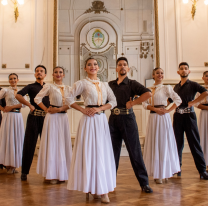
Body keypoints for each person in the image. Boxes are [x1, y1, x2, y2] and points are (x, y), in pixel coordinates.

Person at [66, 58, 117, 204]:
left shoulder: (105, 84)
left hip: (101, 121)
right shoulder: (81, 83)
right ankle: (93, 188)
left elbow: (113, 102)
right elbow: (68, 98)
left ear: (99, 67)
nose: (93, 66)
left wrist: (100, 108)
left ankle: (103, 190)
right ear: (85, 68)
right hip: (88, 121)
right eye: (89, 64)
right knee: (90, 153)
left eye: (95, 64)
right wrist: (82, 109)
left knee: (102, 152)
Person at [108, 57, 153, 193]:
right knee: (112, 153)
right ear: (116, 68)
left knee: (135, 152)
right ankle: (110, 182)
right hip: (113, 120)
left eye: (125, 65)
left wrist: (133, 103)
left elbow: (148, 93)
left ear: (128, 68)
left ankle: (144, 183)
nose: (122, 66)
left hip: (128, 119)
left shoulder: (132, 83)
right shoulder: (110, 84)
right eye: (120, 65)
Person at [143, 68, 181, 184]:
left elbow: (178, 100)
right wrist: (154, 109)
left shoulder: (167, 88)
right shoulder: (148, 89)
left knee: (164, 142)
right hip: (153, 118)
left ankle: (165, 171)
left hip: (163, 118)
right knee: (155, 142)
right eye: (157, 73)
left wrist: (168, 110)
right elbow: (145, 104)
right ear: (153, 75)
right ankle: (156, 172)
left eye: (162, 73)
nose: (160, 75)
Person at [34, 66, 72, 184]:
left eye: (60, 72)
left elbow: (71, 103)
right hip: (52, 118)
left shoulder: (69, 88)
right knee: (52, 144)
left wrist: (60, 109)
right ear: (52, 74)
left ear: (63, 75)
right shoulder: (49, 86)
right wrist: (46, 109)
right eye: (56, 72)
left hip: (63, 117)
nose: (58, 74)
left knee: (62, 143)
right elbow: (37, 99)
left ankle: (62, 173)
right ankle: (51, 174)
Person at [171, 62, 208, 179]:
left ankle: (202, 171)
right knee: (177, 143)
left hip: (189, 116)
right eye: (181, 69)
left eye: (186, 69)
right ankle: (177, 168)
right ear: (178, 72)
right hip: (177, 117)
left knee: (194, 143)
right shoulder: (176, 87)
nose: (183, 70)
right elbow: (170, 100)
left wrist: (194, 102)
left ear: (189, 71)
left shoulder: (193, 84)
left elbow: (205, 92)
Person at [16, 65, 50, 181]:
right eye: (37, 71)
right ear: (35, 74)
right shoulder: (30, 87)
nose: (39, 73)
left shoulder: (49, 87)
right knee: (29, 144)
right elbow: (18, 95)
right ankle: (24, 172)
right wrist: (29, 105)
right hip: (33, 118)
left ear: (45, 75)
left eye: (41, 71)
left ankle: (49, 172)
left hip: (46, 119)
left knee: (48, 146)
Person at [0, 73, 27, 174]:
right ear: (8, 81)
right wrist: (2, 108)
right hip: (8, 117)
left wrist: (11, 107)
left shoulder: (22, 91)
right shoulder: (5, 90)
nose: (13, 80)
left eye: (14, 78)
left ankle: (14, 165)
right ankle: (7, 164)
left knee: (17, 139)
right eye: (11, 79)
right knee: (8, 138)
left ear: (18, 80)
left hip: (18, 117)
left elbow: (24, 104)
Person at [195, 71, 208, 167]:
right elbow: (196, 103)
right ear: (203, 78)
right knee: (204, 135)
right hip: (204, 114)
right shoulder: (200, 90)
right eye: (206, 76)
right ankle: (204, 162)